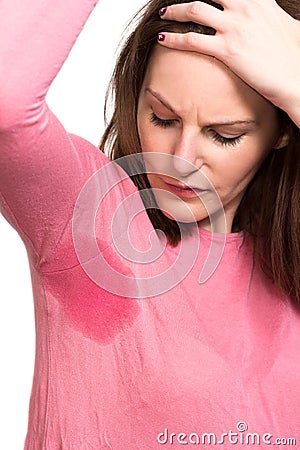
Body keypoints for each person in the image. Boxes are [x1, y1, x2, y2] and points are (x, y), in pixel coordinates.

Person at [0, 0, 299, 449]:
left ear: (283, 130)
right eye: (162, 117)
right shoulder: (91, 220)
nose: (178, 161)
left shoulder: (289, 258)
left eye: (225, 134)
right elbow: (5, 104)